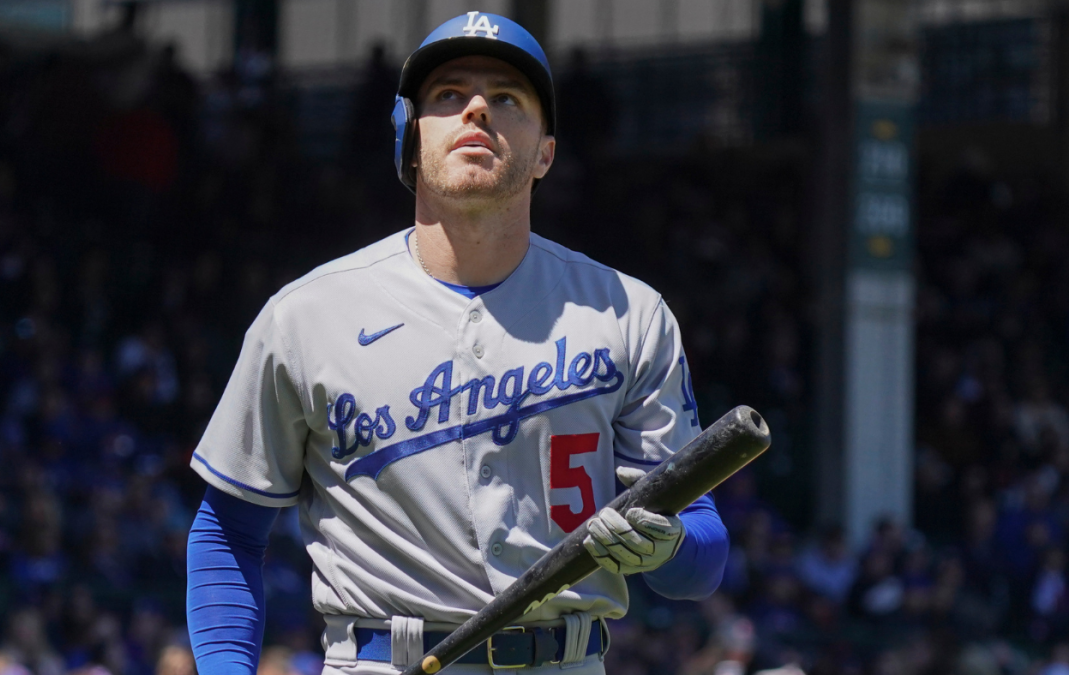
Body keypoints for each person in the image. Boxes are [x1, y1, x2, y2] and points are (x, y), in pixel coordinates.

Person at [185, 12, 728, 675]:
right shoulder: (305, 316)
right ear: (409, 142)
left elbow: (702, 555)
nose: (477, 109)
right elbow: (228, 531)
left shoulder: (628, 312)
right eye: (448, 96)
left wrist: (666, 547)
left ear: (545, 151)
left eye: (507, 98)